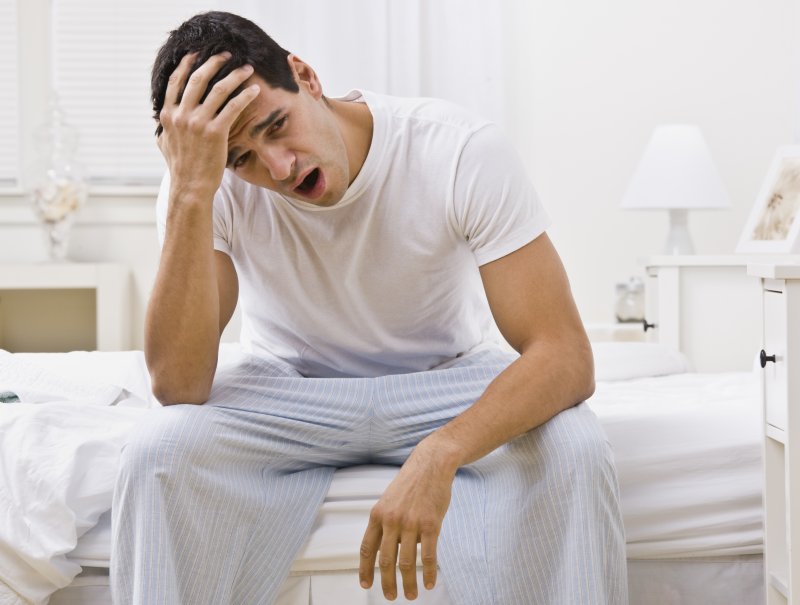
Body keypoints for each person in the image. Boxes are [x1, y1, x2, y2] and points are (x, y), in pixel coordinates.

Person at [111, 10, 627, 605]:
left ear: (304, 76)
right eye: (242, 159)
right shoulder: (200, 187)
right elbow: (179, 383)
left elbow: (565, 356)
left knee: (577, 447)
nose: (278, 168)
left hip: (443, 383)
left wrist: (442, 452)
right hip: (290, 393)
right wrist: (192, 189)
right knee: (157, 451)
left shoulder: (457, 149)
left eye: (277, 125)